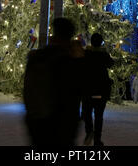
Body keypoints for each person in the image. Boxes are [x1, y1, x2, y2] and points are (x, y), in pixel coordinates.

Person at [23, 17, 81, 146]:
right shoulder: (69, 62)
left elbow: (28, 91)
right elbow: (74, 95)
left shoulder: (38, 57)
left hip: (38, 124)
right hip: (62, 127)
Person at [81, 33, 114, 147]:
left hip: (87, 89)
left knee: (87, 113)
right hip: (101, 89)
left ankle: (89, 132)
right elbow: (111, 64)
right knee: (99, 116)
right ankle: (97, 139)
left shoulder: (86, 54)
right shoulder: (104, 55)